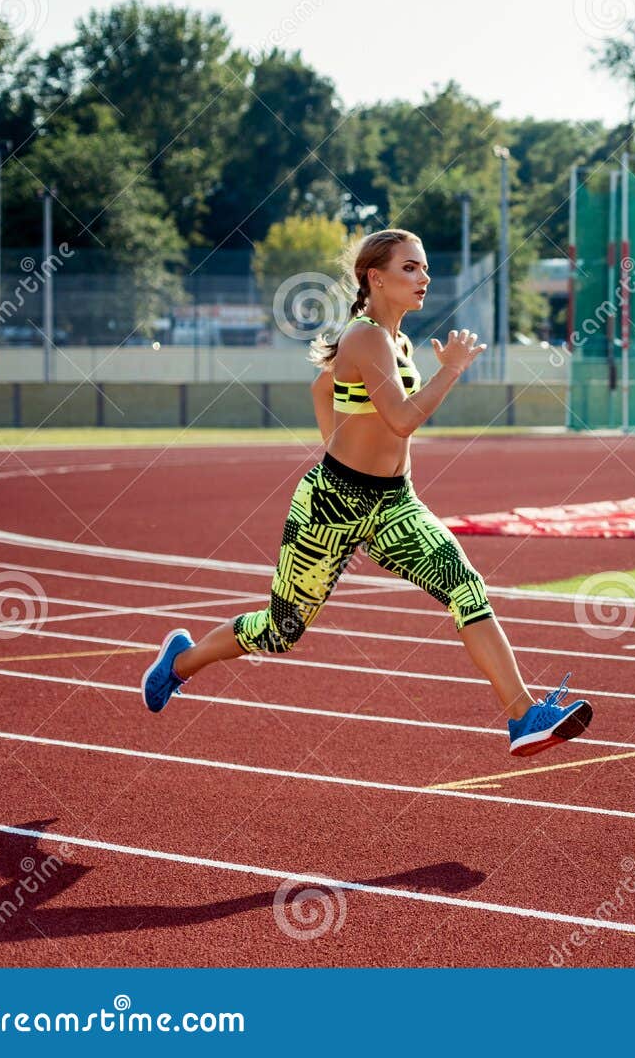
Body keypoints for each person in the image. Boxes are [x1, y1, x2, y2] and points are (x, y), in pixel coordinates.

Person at [140, 229, 591, 757]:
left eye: (424, 268)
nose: (424, 278)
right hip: (332, 503)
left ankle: (523, 716)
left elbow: (324, 389)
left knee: (465, 587)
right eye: (410, 268)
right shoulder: (366, 337)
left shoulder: (396, 342)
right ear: (375, 278)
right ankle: (179, 660)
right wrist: (447, 374)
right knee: (280, 631)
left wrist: (351, 442)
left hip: (395, 502)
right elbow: (401, 420)